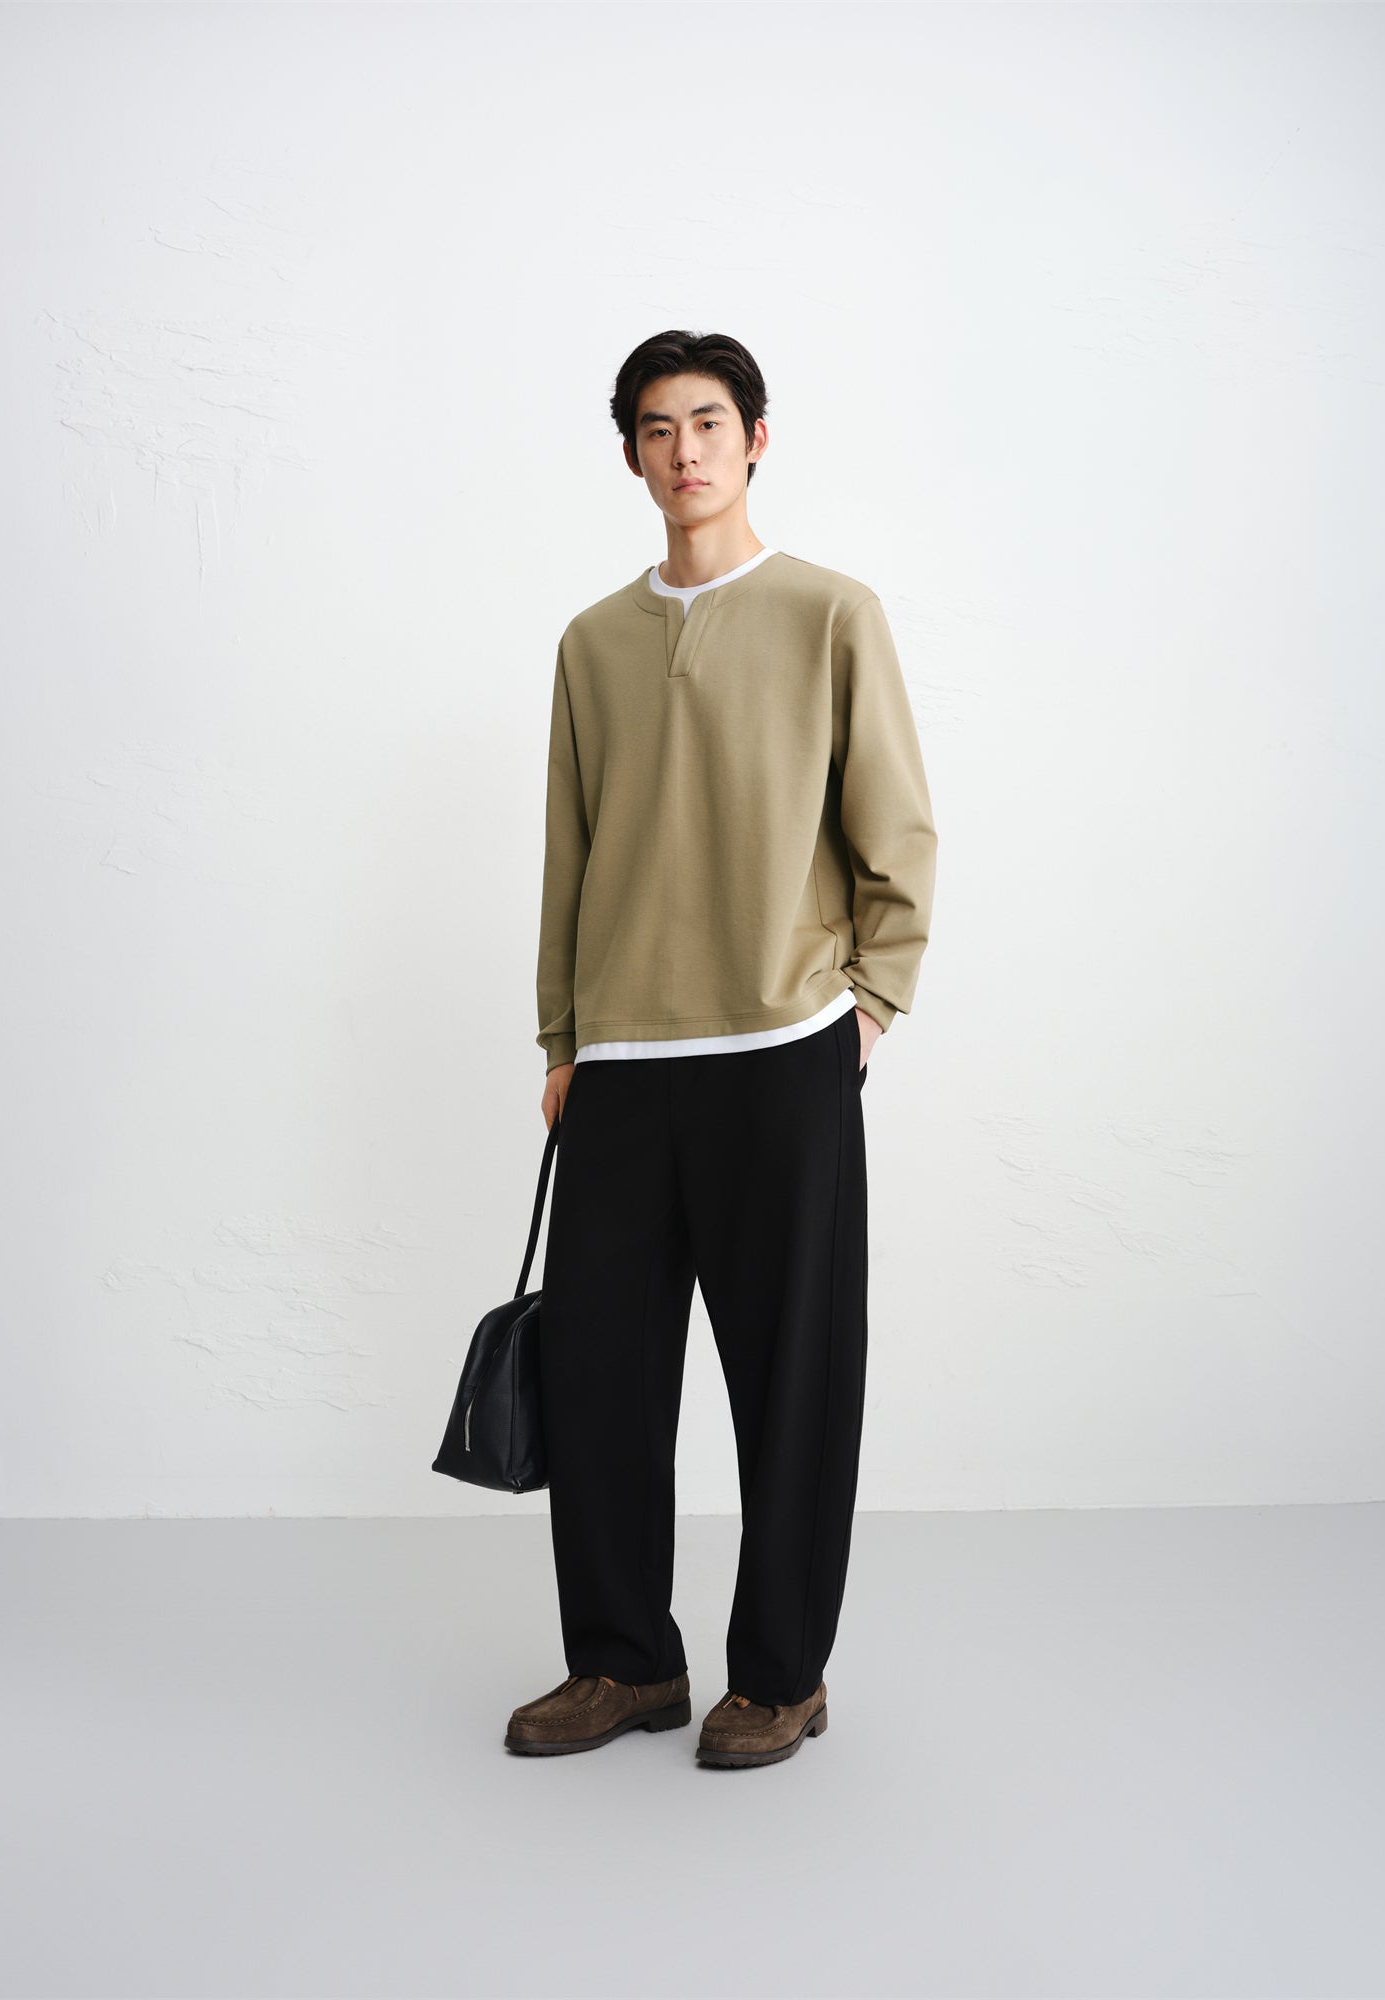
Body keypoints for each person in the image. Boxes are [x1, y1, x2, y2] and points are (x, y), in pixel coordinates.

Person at [503, 329, 937, 1770]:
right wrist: (564, 1037)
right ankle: (625, 1663)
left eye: (706, 422)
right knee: (601, 1381)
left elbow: (897, 832)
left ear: (755, 437)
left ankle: (782, 1676)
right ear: (630, 454)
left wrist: (867, 1005)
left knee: (792, 1378)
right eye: (654, 427)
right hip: (622, 1064)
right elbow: (569, 855)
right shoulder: (591, 644)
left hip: (781, 1048)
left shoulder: (830, 614)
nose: (681, 450)